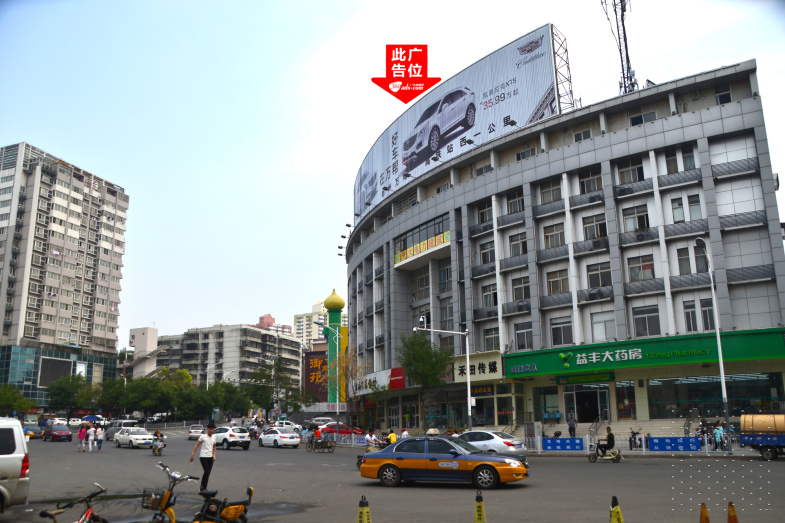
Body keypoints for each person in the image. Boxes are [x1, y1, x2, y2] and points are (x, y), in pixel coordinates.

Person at [190, 422, 217, 492]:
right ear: (207, 429)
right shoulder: (203, 437)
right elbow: (196, 445)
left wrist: (214, 455)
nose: (211, 430)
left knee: (208, 473)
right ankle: (202, 487)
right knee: (207, 471)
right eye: (210, 429)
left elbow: (214, 447)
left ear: (214, 429)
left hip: (210, 457)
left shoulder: (214, 437)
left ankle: (204, 487)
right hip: (203, 456)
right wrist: (192, 454)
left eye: (212, 429)